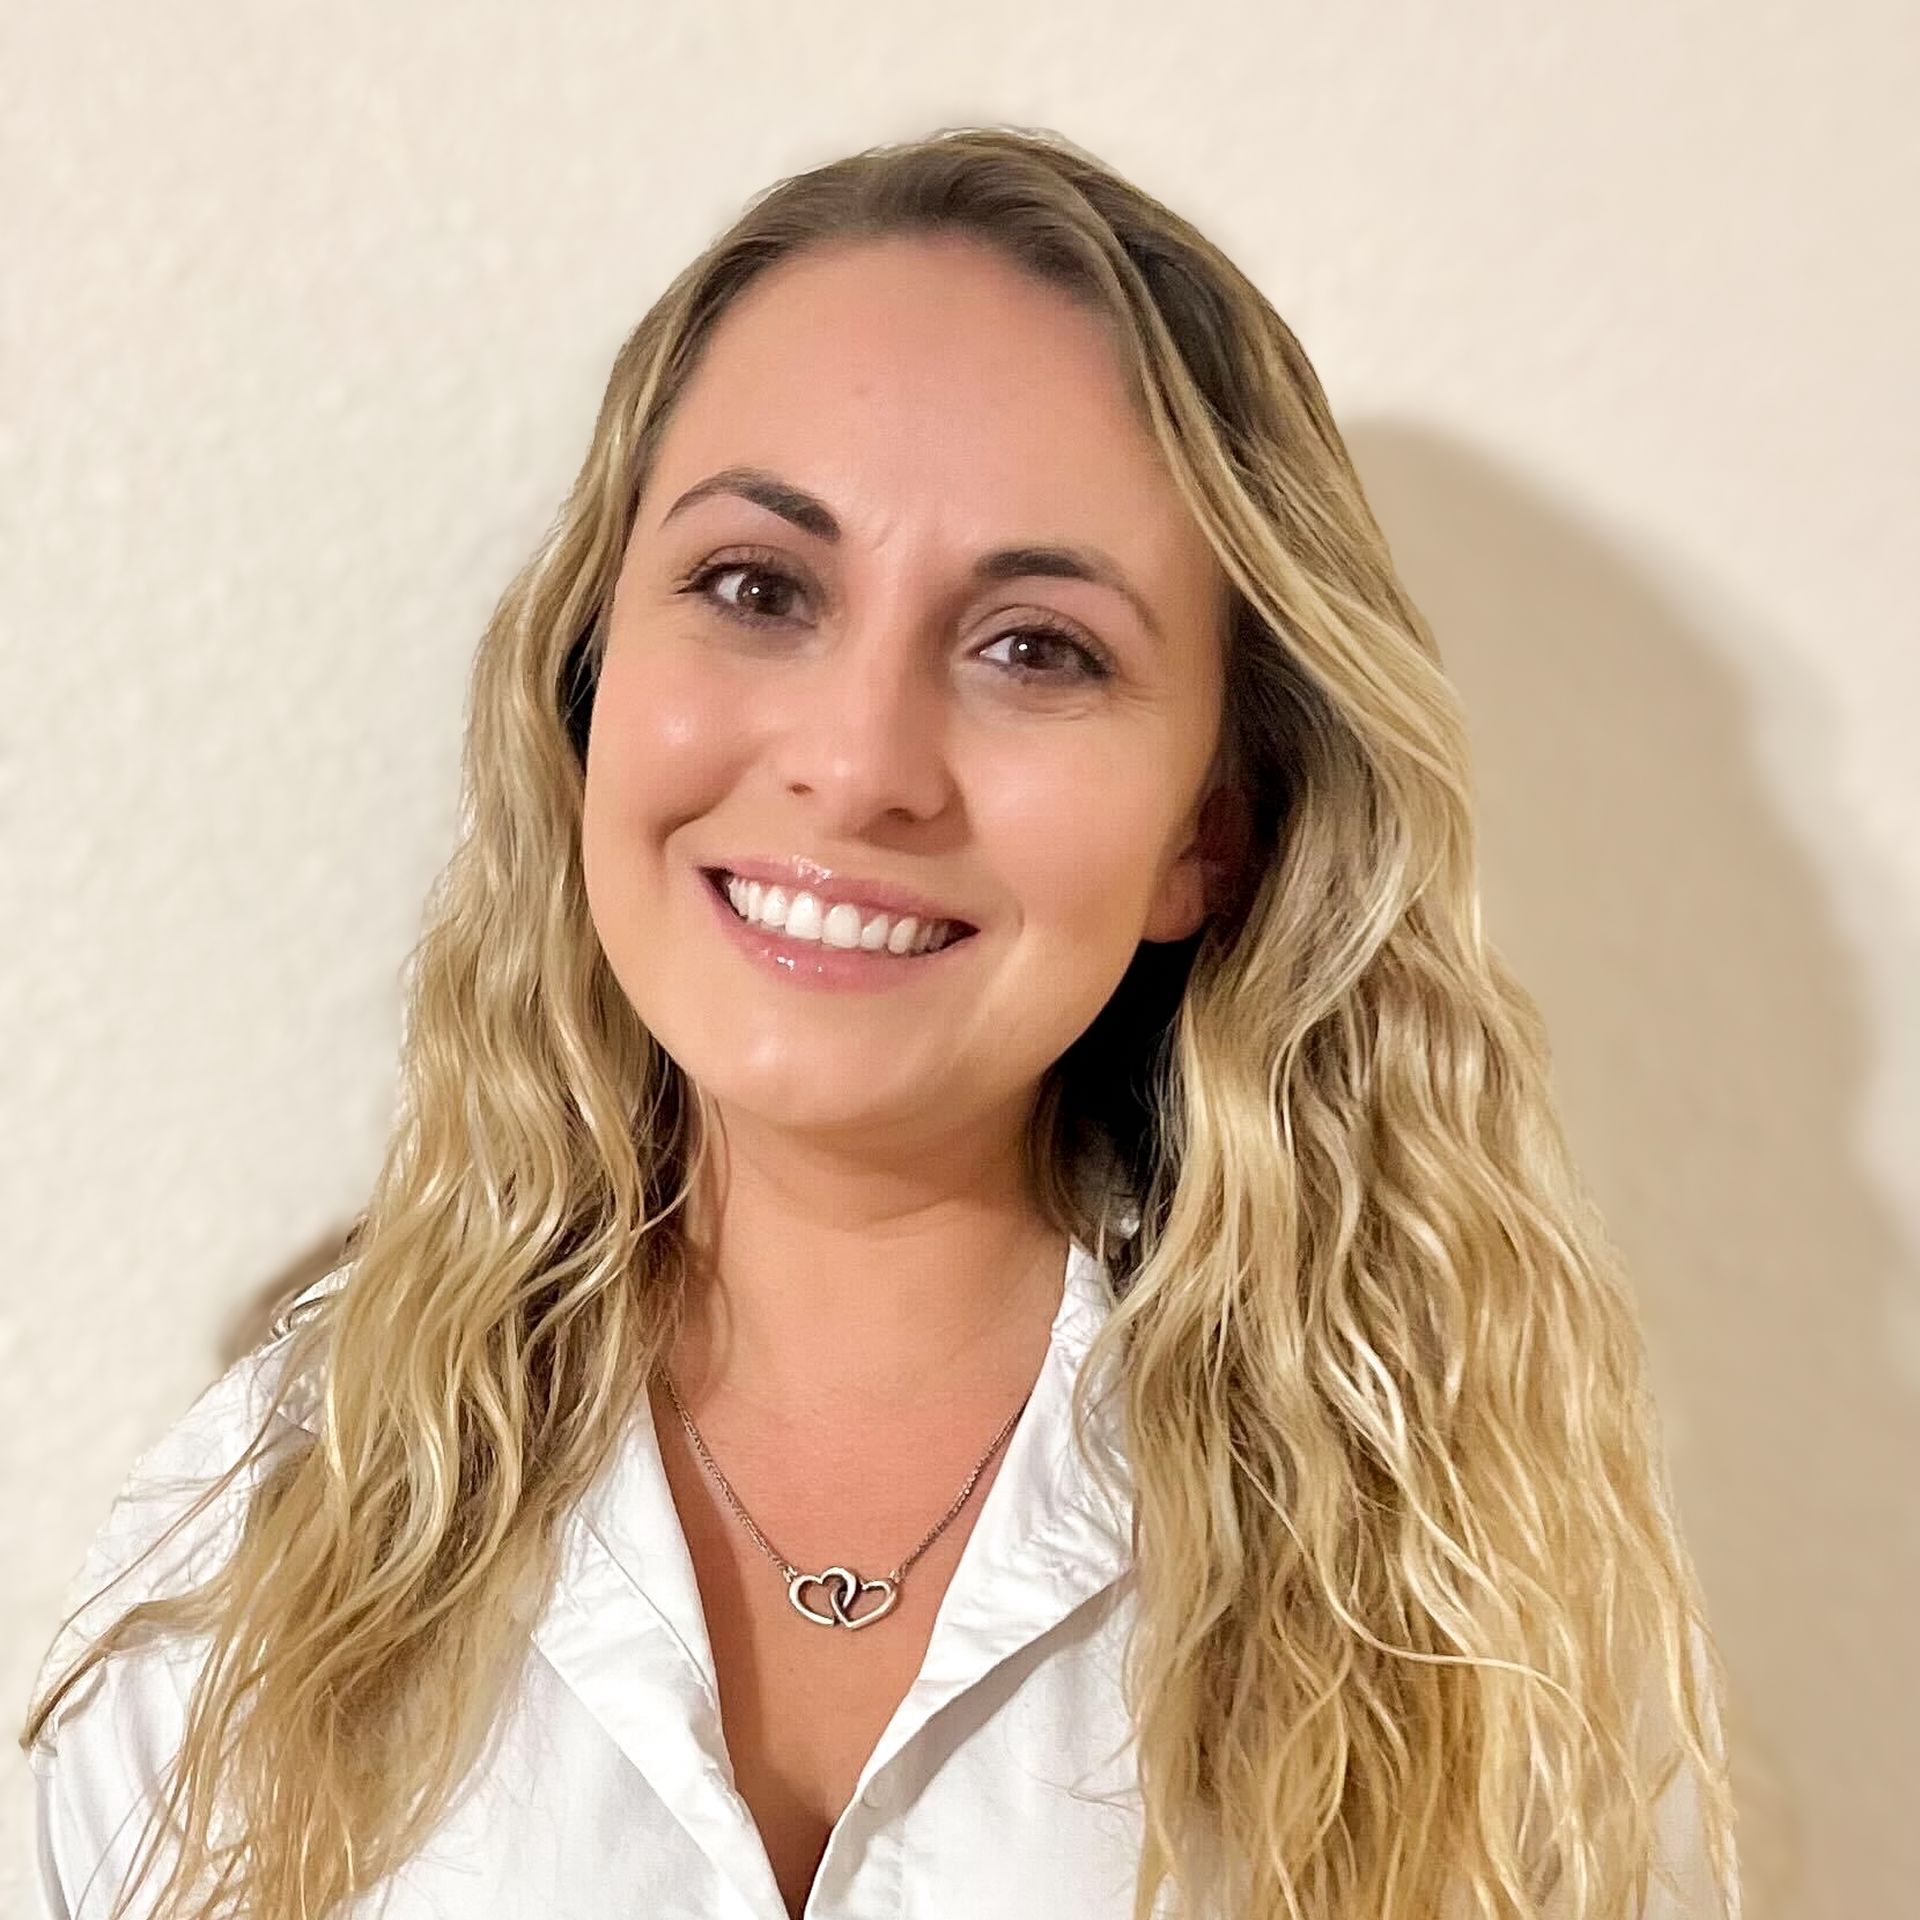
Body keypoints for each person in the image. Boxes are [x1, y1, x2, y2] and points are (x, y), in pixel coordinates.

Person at [20, 125, 1740, 1920]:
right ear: (596, 679)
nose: (855, 765)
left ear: (1210, 830)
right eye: (758, 589)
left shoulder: (1466, 1631)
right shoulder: (241, 1548)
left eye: (1037, 647)